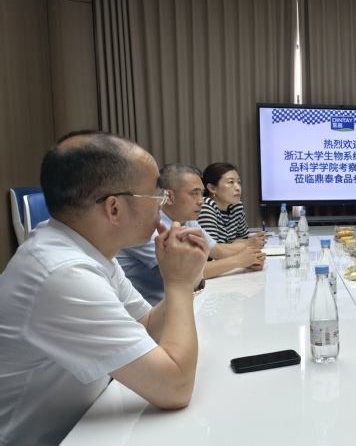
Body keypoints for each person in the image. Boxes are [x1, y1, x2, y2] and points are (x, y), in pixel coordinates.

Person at [0, 131, 209, 444]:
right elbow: (175, 388)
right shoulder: (62, 273)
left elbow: (146, 326)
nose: (162, 206)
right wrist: (178, 283)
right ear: (114, 208)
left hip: (87, 425)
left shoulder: (86, 248)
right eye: (156, 196)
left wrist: (187, 276)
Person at [118, 164, 266, 305]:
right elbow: (185, 274)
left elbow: (217, 251)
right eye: (194, 193)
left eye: (201, 193)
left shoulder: (188, 220)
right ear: (168, 196)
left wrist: (251, 255)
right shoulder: (147, 227)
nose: (201, 201)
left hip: (183, 300)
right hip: (150, 311)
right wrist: (238, 260)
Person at [198, 162, 265, 247]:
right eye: (231, 182)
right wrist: (244, 244)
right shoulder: (205, 207)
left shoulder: (236, 207)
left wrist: (231, 245)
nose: (238, 188)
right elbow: (211, 250)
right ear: (212, 188)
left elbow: (243, 238)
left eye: (238, 182)